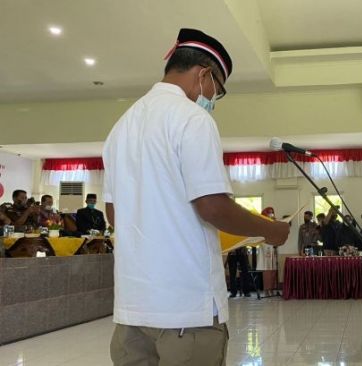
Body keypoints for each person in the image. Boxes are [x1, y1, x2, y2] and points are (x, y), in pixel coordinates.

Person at [103, 28, 289, 366]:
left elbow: (114, 214)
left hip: (132, 311)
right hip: (186, 311)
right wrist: (269, 229)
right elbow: (212, 206)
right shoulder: (191, 118)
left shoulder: (121, 126)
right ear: (203, 74)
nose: (213, 98)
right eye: (217, 89)